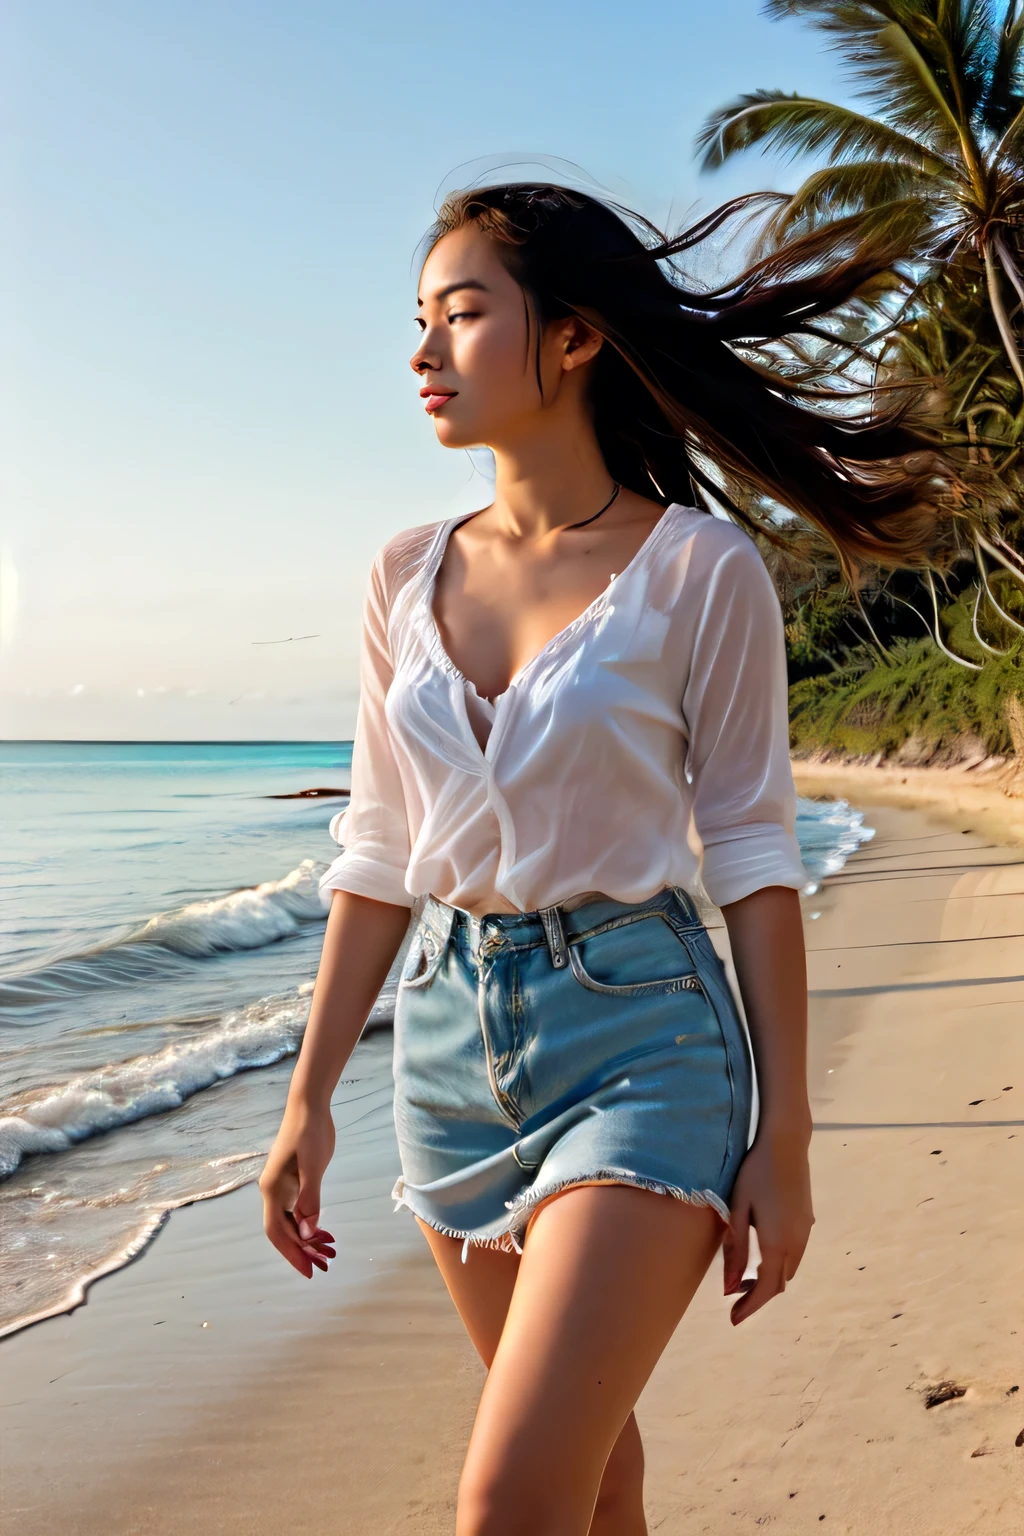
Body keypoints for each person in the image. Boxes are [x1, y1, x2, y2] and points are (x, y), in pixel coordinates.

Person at [260, 183, 955, 1535]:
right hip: (449, 1052)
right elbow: (383, 849)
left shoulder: (701, 572)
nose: (423, 354)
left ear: (573, 337)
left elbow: (755, 850)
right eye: (420, 321)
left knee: (512, 1496)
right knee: (598, 1477)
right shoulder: (403, 574)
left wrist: (788, 1138)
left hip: (646, 1039)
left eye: (462, 316)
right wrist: (307, 1099)